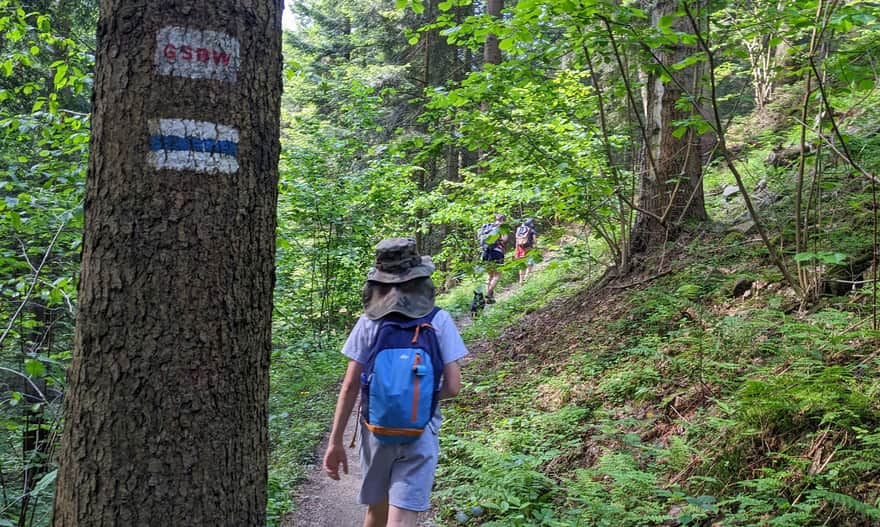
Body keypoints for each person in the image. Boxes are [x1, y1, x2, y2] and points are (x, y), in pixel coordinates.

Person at [323, 237, 469, 527]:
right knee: (402, 518)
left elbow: (351, 385)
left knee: (376, 511)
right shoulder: (439, 319)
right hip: (420, 431)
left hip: (376, 429)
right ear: (419, 276)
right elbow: (453, 387)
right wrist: (418, 396)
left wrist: (335, 441)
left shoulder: (369, 322)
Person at [480, 213, 508, 303]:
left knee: (489, 275)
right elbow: (504, 239)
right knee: (497, 274)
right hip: (496, 252)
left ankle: (489, 297)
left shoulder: (487, 226)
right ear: (504, 219)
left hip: (485, 252)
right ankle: (489, 293)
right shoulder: (502, 227)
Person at [514, 219, 537, 284]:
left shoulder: (519, 231)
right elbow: (535, 241)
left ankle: (521, 280)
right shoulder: (531, 230)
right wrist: (536, 247)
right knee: (530, 264)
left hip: (520, 249)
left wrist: (516, 251)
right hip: (529, 248)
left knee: (522, 265)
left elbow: (516, 242)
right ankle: (526, 278)